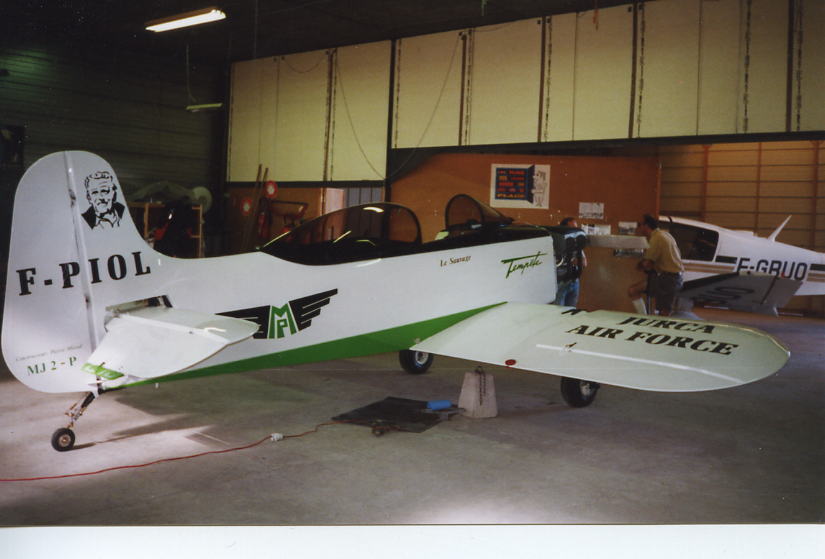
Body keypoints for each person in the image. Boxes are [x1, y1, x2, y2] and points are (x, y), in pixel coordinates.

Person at [627, 214, 684, 316]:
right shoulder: (665, 234)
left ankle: (643, 317)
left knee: (633, 291)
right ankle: (644, 318)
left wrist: (639, 266)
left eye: (640, 225)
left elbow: (647, 263)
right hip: (674, 278)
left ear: (646, 226)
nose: (638, 228)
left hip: (668, 279)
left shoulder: (656, 238)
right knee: (664, 311)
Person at [554, 217, 587, 307]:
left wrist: (575, 261)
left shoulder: (576, 244)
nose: (574, 231)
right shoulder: (556, 243)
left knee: (571, 309)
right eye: (572, 228)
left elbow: (584, 262)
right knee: (559, 310)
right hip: (560, 282)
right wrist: (573, 261)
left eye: (575, 228)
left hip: (574, 281)